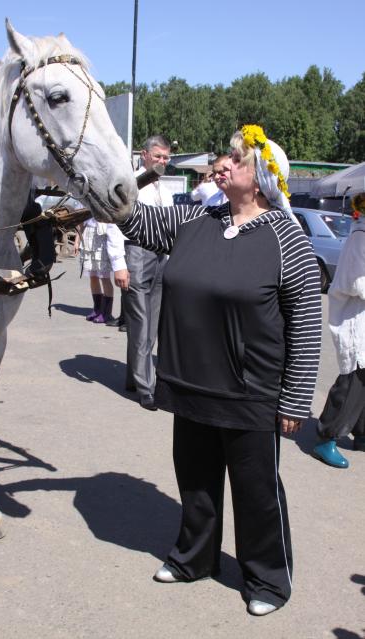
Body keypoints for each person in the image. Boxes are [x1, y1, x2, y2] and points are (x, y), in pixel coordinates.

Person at [118, 124, 322, 615]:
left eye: (238, 159)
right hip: (191, 384)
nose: (224, 163)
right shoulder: (196, 218)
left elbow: (307, 325)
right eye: (226, 157)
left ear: (263, 180)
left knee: (257, 493)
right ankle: (194, 559)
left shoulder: (285, 238)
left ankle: (267, 581)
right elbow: (138, 223)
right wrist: (107, 186)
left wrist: (295, 399)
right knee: (195, 483)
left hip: (251, 393)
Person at [313, 192, 365, 468]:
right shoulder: (361, 235)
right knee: (352, 381)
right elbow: (355, 283)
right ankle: (326, 437)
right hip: (357, 318)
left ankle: (362, 433)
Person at [122, 135, 173, 410]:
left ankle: (133, 377)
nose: (162, 161)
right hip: (137, 253)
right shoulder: (131, 183)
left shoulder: (164, 190)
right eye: (158, 156)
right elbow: (112, 222)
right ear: (145, 155)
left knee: (151, 324)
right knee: (140, 322)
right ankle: (147, 388)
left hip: (161, 256)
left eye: (166, 158)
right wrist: (119, 263)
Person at [74, 219, 129, 323]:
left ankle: (107, 313)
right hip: (87, 237)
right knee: (92, 276)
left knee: (104, 277)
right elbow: (80, 222)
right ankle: (97, 309)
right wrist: (77, 241)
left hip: (102, 236)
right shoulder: (84, 203)